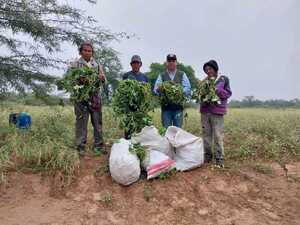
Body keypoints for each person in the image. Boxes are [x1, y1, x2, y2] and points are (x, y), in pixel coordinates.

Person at [68, 42, 106, 156]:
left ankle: (98, 145)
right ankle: (80, 146)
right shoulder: (75, 65)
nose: (88, 52)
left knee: (97, 122)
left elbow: (104, 81)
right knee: (81, 122)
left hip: (95, 97)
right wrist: (79, 80)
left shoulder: (97, 65)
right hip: (81, 98)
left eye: (90, 51)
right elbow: (69, 80)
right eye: (85, 50)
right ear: (81, 52)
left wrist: (102, 78)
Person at [200, 60, 232, 167]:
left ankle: (219, 159)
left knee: (218, 135)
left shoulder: (223, 79)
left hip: (217, 112)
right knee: (206, 135)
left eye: (210, 69)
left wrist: (218, 91)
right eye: (206, 70)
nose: (208, 71)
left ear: (215, 69)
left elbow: (228, 93)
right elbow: (199, 94)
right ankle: (208, 157)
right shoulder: (204, 81)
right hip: (205, 112)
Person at [154, 54, 191, 128]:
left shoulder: (182, 74)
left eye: (173, 61)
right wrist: (160, 89)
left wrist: (177, 91)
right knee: (166, 130)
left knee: (177, 131)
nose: (171, 62)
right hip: (166, 109)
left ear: (176, 63)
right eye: (169, 61)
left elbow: (188, 88)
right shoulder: (162, 75)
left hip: (178, 108)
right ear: (166, 63)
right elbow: (155, 89)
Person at [122, 55, 149, 139]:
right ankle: (128, 143)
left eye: (137, 63)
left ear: (140, 64)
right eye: (134, 63)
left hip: (140, 106)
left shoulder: (144, 77)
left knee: (140, 126)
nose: (136, 65)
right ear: (131, 64)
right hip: (129, 106)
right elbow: (122, 89)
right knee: (128, 126)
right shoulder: (126, 75)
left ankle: (138, 144)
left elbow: (147, 92)